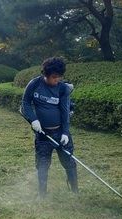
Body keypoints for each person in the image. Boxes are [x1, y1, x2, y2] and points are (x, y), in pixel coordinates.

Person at [20, 57, 78, 198]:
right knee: (42, 164)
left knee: (69, 161)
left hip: (60, 133)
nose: (56, 80)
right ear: (45, 75)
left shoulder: (63, 88)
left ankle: (75, 190)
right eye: (54, 77)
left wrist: (65, 132)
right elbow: (25, 103)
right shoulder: (34, 84)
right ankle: (42, 194)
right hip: (43, 135)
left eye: (59, 77)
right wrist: (34, 120)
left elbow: (65, 112)